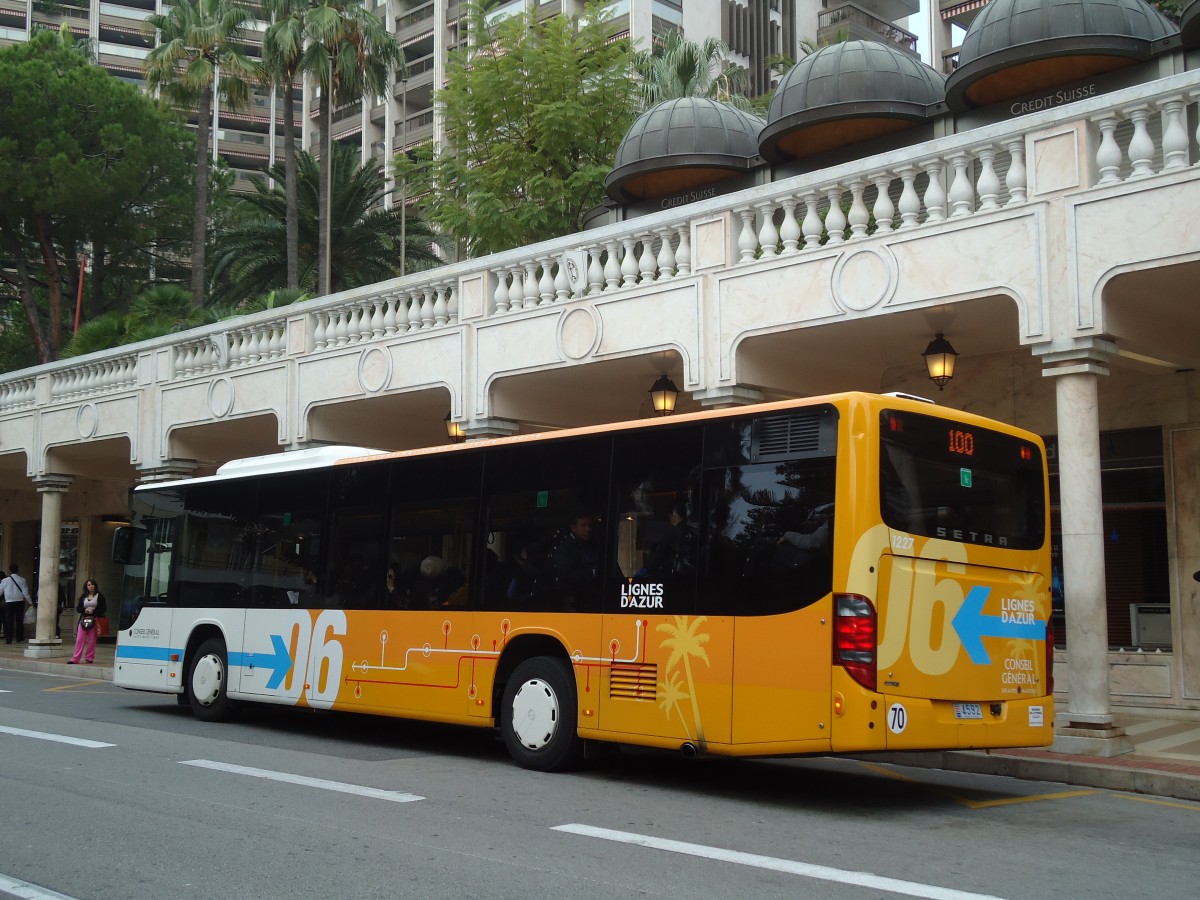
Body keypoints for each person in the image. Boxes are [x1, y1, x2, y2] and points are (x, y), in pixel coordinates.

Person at [641, 501, 695, 575]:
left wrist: (649, 571)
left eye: (669, 516)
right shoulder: (691, 532)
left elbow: (659, 557)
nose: (669, 520)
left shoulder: (673, 532)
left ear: (674, 515)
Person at [68, 578, 107, 665]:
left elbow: (103, 609)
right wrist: (85, 610)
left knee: (92, 640)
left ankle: (89, 657)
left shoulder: (99, 596)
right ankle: (75, 658)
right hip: (84, 619)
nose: (91, 586)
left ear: (95, 586)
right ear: (86, 586)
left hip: (95, 620)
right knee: (80, 639)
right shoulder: (83, 596)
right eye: (89, 585)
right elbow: (78, 608)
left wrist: (94, 611)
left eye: (92, 584)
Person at [1, 564, 32, 644]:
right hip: (19, 602)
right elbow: (25, 593)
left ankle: (9, 638)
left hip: (9, 602)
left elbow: (0, 591)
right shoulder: (22, 580)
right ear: (18, 570)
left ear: (10, 570)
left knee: (9, 621)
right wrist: (30, 602)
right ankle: (19, 637)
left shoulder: (5, 581)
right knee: (19, 620)